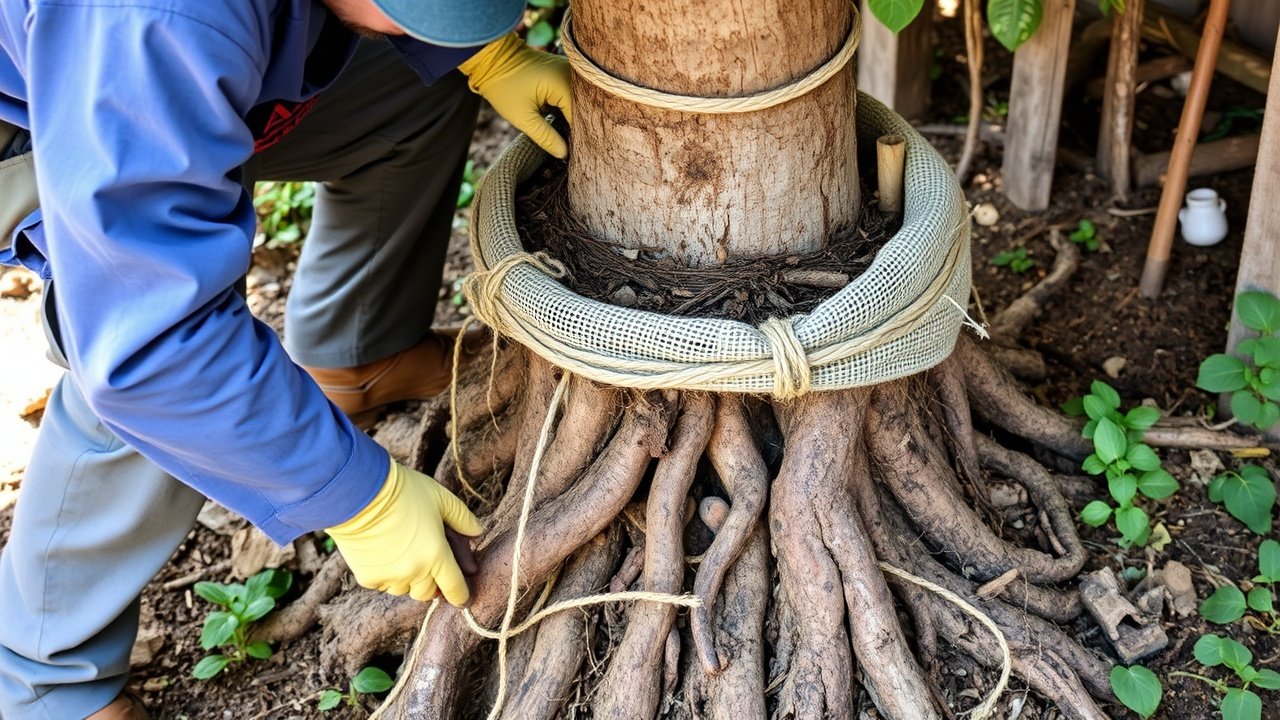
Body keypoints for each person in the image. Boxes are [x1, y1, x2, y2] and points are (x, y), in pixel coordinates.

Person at [0, 0, 572, 717]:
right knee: (159, 356)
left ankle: (361, 354)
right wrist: (361, 499)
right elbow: (149, 348)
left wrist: (482, 56)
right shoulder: (157, 19)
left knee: (415, 89)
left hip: (158, 70)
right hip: (36, 122)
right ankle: (47, 681)